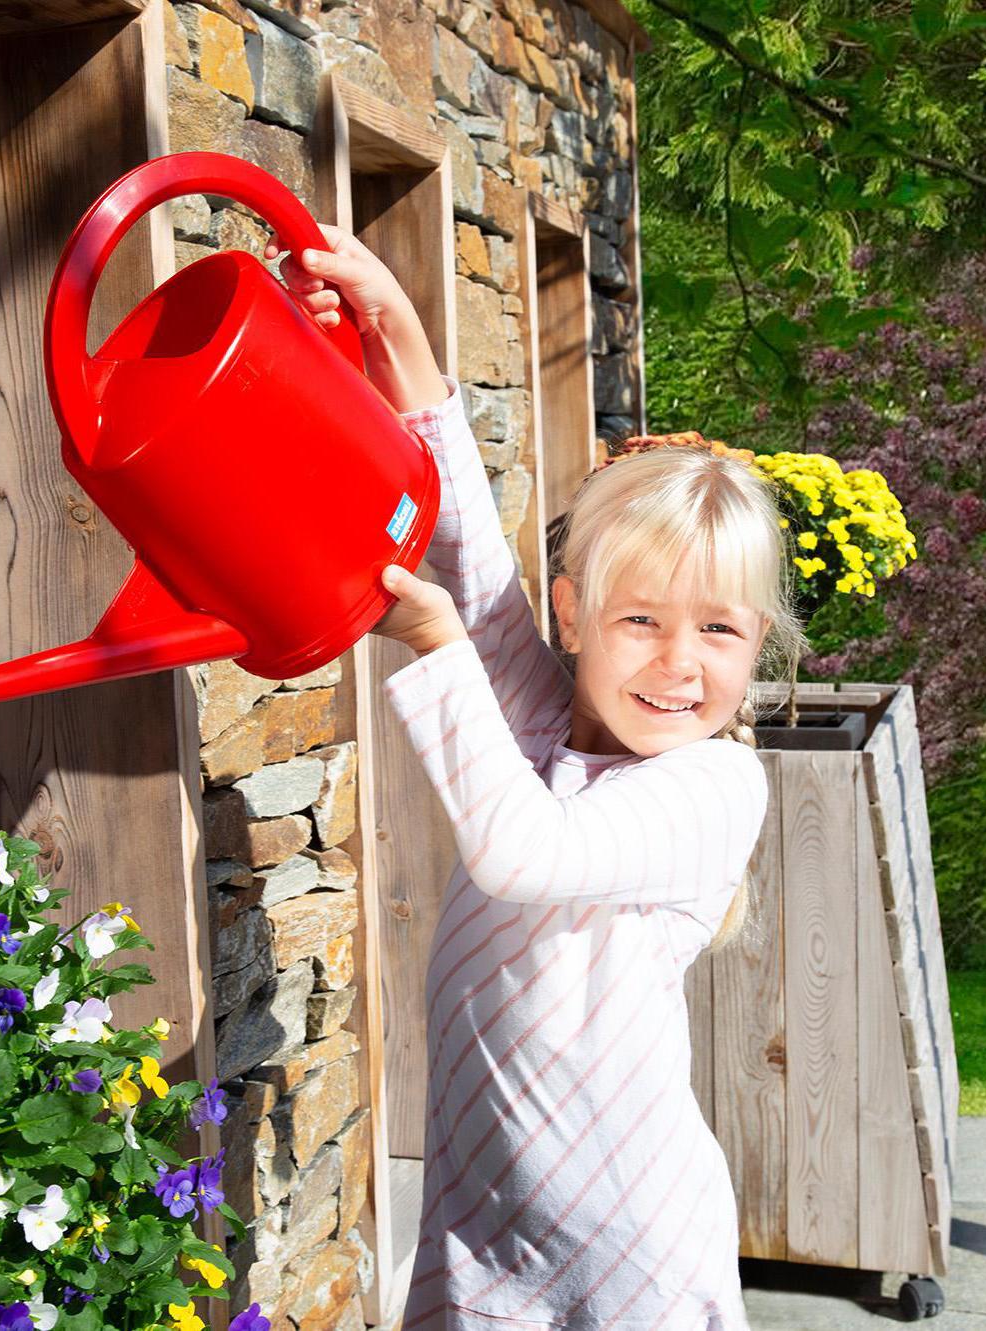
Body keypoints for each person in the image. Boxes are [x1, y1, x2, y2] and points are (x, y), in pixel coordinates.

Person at [270, 225, 807, 1329]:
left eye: (718, 629)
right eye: (640, 620)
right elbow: (468, 560)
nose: (678, 661)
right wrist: (400, 341)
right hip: (483, 1212)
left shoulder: (713, 788)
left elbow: (525, 852)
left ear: (757, 643)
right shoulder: (542, 724)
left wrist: (431, 644)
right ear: (571, 614)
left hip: (631, 1246)